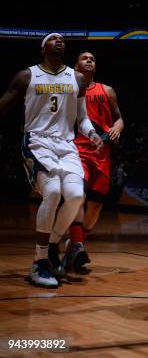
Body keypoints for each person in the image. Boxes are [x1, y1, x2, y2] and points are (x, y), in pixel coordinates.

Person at [0, 34, 102, 288]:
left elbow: (83, 118)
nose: (60, 41)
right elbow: (3, 105)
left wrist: (91, 134)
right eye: (53, 39)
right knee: (54, 191)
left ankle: (53, 243)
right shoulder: (27, 76)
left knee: (77, 196)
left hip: (66, 145)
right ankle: (39, 262)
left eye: (62, 39)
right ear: (43, 47)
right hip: (37, 141)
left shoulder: (76, 78)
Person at [63, 51, 124, 271]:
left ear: (95, 67)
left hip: (102, 152)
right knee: (79, 194)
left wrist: (117, 126)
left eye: (93, 59)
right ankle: (77, 244)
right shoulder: (69, 89)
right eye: (84, 58)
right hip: (77, 149)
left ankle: (75, 244)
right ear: (76, 66)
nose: (89, 60)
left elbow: (118, 117)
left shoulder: (107, 90)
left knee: (96, 205)